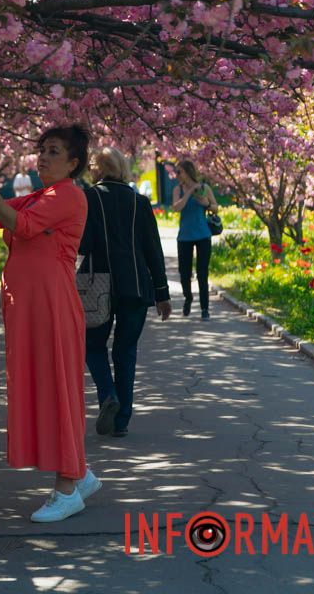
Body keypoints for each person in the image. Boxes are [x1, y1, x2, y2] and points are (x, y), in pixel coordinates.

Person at [0, 124, 97, 523]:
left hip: (51, 307)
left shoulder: (68, 196)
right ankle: (79, 473)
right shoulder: (42, 196)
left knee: (55, 388)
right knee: (44, 385)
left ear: (73, 163)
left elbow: (18, 226)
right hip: (32, 307)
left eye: (54, 152)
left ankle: (67, 489)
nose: (43, 157)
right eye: (42, 150)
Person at [79, 148, 172, 439]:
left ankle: (108, 395)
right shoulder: (139, 202)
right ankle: (121, 422)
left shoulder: (90, 199)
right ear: (122, 169)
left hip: (98, 286)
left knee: (92, 345)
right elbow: (152, 249)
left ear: (96, 170)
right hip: (135, 286)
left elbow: (83, 244)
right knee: (125, 351)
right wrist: (162, 293)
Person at [172, 160, 219, 320]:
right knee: (184, 273)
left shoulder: (205, 188)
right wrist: (189, 192)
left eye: (179, 172)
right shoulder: (178, 190)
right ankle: (188, 298)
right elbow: (176, 207)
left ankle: (205, 308)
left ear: (187, 172)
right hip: (184, 236)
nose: (177, 175)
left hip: (203, 235)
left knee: (202, 273)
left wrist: (205, 203)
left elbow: (215, 207)